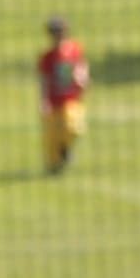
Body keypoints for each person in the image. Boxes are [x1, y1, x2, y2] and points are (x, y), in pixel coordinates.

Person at [37, 19, 93, 174]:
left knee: (74, 127)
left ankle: (66, 150)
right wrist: (43, 101)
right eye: (54, 32)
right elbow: (44, 80)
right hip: (54, 102)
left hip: (71, 99)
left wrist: (83, 79)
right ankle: (56, 163)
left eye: (60, 31)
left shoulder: (74, 49)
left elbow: (81, 66)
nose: (58, 35)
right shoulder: (47, 57)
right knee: (53, 136)